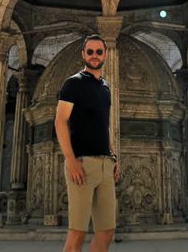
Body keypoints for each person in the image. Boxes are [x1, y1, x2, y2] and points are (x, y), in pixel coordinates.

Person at [55, 34, 120, 252]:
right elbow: (60, 121)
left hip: (104, 165)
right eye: (90, 51)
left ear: (105, 54)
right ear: (83, 54)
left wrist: (113, 156)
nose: (94, 56)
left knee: (106, 231)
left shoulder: (105, 88)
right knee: (77, 233)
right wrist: (71, 161)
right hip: (82, 165)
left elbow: (104, 125)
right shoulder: (73, 84)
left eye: (98, 52)